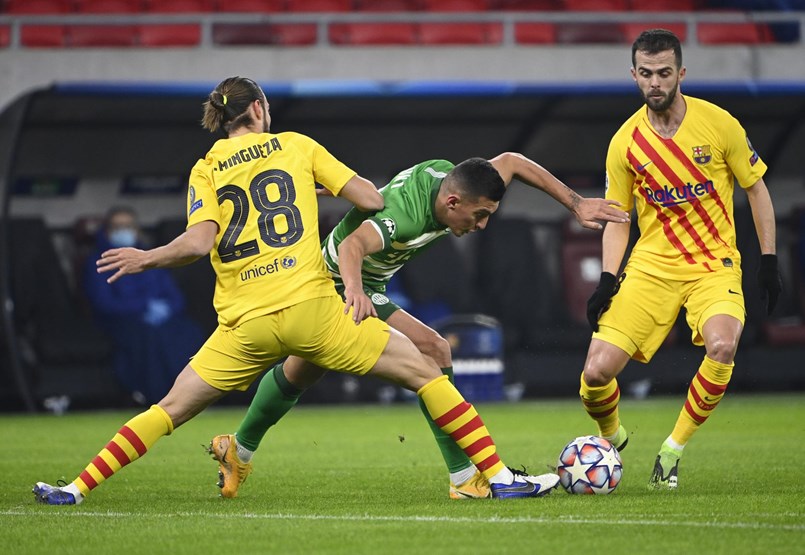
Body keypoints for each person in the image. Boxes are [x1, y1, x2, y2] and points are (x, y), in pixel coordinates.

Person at [33, 76, 561, 506]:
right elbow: (370, 200)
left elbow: (197, 243)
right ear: (261, 109)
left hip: (245, 325)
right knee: (428, 368)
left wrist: (146, 256)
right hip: (313, 306)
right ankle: (493, 476)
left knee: (169, 408)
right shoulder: (297, 146)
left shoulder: (206, 167)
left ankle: (75, 489)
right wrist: (313, 187)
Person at [208, 153, 629, 500]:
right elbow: (353, 246)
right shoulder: (405, 218)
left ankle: (237, 448)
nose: (481, 226)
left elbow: (513, 162)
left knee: (302, 370)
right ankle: (466, 477)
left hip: (363, 282)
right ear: (452, 203)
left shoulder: (456, 181)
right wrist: (354, 291)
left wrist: (576, 203)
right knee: (434, 351)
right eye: (479, 215)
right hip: (336, 282)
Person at [581, 29, 782, 491]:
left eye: (665, 73)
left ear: (681, 74)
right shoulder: (624, 143)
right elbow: (618, 217)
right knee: (594, 375)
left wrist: (767, 260)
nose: (656, 83)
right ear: (634, 75)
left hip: (713, 265)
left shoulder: (718, 124)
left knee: (723, 346)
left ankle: (672, 451)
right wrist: (608, 278)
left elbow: (756, 188)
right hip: (652, 267)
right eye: (646, 74)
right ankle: (613, 436)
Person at [83, 206, 204, 404]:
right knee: (148, 337)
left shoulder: (151, 257)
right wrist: (143, 307)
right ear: (107, 230)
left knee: (189, 332)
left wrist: (164, 310)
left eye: (129, 226)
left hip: (162, 320)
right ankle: (159, 398)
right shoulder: (99, 261)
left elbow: (176, 298)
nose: (124, 230)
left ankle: (192, 396)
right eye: (118, 226)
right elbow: (103, 303)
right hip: (123, 322)